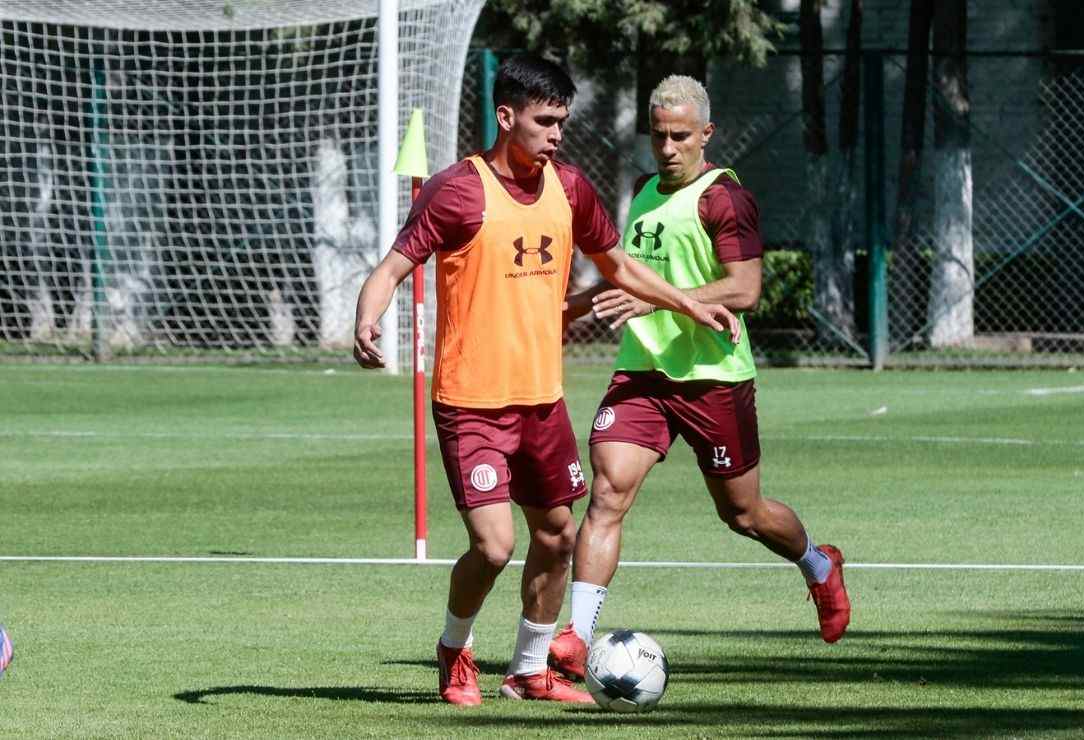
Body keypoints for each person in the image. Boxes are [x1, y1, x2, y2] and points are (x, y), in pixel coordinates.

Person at [353, 57, 740, 706]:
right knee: (495, 545)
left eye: (563, 121)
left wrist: (690, 303)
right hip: (471, 401)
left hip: (541, 403)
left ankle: (530, 670)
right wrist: (367, 318)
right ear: (507, 117)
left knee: (559, 534)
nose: (557, 134)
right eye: (545, 121)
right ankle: (454, 649)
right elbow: (393, 266)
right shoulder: (458, 189)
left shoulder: (570, 187)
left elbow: (616, 265)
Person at [549, 75, 851, 679]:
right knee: (606, 497)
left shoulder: (724, 198)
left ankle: (819, 565)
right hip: (643, 373)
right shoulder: (642, 190)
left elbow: (746, 289)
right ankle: (576, 639)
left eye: (680, 136)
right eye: (658, 135)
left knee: (744, 515)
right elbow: (630, 277)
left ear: (706, 134)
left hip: (714, 377)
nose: (667, 147)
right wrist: (570, 312)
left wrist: (659, 303)